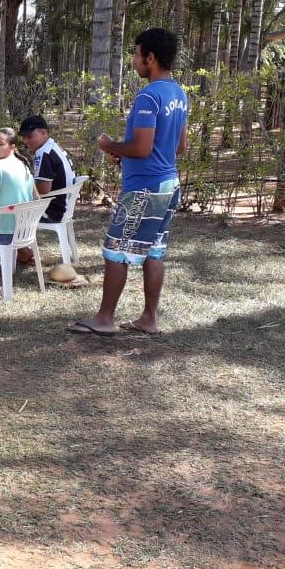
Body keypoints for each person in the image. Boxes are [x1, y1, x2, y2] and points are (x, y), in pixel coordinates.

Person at [69, 27, 188, 338]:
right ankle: (149, 318)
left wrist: (112, 146)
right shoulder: (179, 93)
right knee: (154, 251)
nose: (133, 61)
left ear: (151, 57)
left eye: (136, 55)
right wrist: (128, 153)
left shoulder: (149, 96)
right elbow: (178, 147)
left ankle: (105, 319)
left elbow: (143, 148)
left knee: (116, 250)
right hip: (168, 183)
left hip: (144, 188)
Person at [0, 127, 36, 279]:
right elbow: (37, 198)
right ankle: (24, 253)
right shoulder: (24, 167)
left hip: (4, 234)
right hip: (25, 233)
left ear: (12, 147)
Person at [18, 114, 75, 224]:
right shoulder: (53, 147)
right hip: (65, 208)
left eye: (29, 136)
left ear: (44, 133)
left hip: (53, 212)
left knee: (8, 211)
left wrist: (23, 183)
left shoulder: (44, 153)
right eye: (24, 137)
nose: (25, 141)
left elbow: (43, 190)